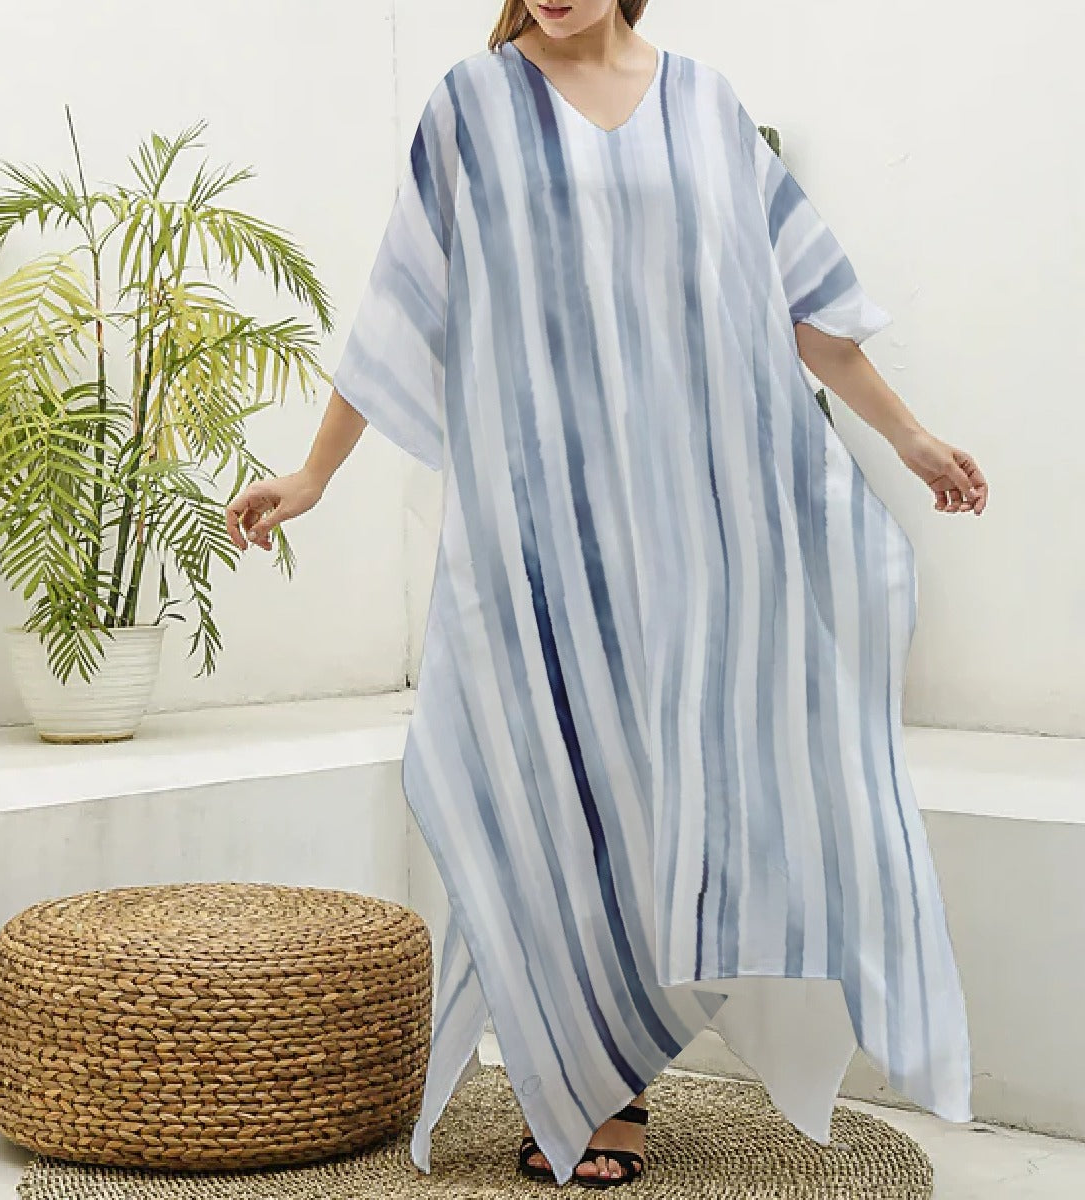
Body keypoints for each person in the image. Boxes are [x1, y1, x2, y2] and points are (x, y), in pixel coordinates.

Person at [226, 0, 986, 1188]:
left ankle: (615, 1078)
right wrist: (314, 474)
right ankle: (571, 1082)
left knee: (664, 796)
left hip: (696, 537)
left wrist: (913, 438)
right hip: (534, 535)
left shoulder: (707, 105)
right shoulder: (471, 107)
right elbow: (403, 307)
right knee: (547, 794)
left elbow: (803, 307)